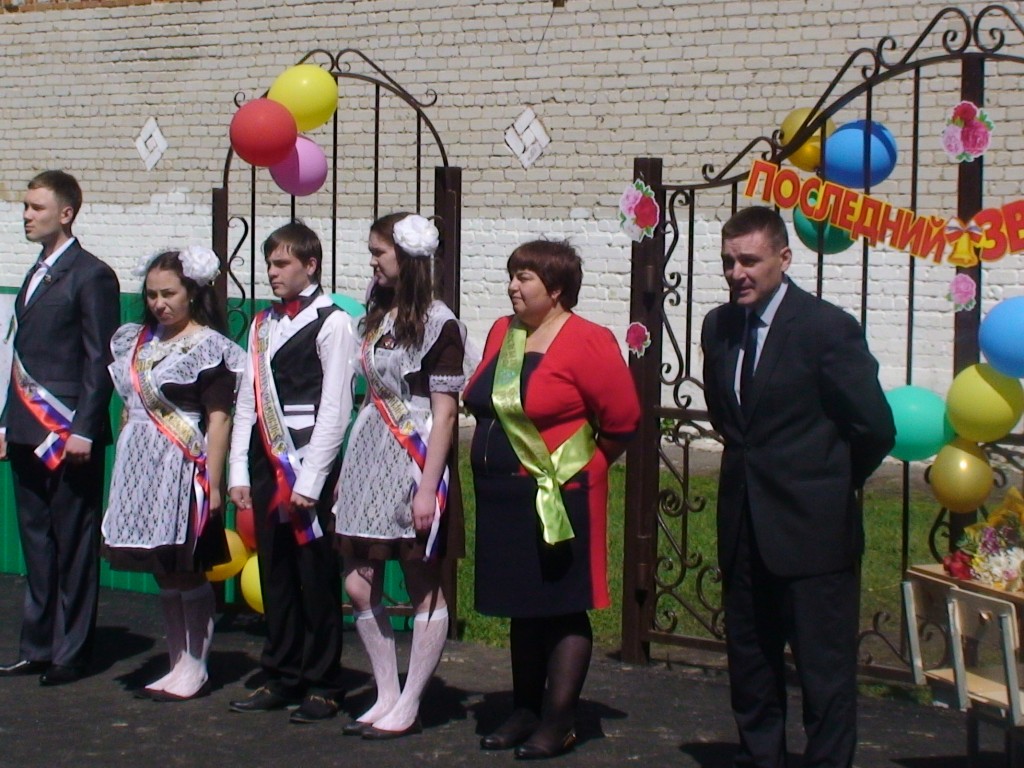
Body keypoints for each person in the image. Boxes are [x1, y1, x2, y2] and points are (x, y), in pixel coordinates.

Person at [700, 206, 896, 768]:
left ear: (784, 258)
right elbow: (730, 420)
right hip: (744, 527)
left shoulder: (825, 328)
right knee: (750, 664)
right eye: (729, 261)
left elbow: (874, 427)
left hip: (813, 533)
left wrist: (828, 482)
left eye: (749, 261)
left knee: (823, 674)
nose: (737, 272)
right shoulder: (718, 326)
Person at [463, 239, 640, 760]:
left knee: (561, 605)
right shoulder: (504, 331)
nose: (512, 286)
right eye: (512, 275)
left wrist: (580, 468)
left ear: (557, 288)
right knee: (525, 605)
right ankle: (525, 709)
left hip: (560, 497)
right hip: (503, 498)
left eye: (525, 278)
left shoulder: (588, 340)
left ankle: (559, 720)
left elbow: (623, 421)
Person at [334, 212, 467, 740]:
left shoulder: (440, 323)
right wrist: (349, 469)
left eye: (378, 252)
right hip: (370, 451)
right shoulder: (376, 316)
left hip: (415, 459)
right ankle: (386, 692)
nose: (372, 262)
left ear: (407, 258)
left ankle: (411, 701)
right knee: (357, 581)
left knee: (420, 582)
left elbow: (446, 413)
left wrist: (428, 488)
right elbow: (369, 395)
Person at [227, 221, 357, 723]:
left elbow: (335, 408)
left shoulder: (333, 322)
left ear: (311, 264)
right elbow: (247, 400)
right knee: (276, 570)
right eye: (269, 263)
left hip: (307, 465)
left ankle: (324, 682)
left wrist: (311, 480)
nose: (273, 272)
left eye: (282, 263)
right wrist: (239, 469)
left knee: (316, 574)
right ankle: (281, 674)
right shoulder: (262, 324)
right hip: (267, 461)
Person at [101, 246, 244, 701]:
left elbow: (219, 420)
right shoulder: (137, 342)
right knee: (162, 568)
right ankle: (176, 659)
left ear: (192, 293)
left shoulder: (211, 348)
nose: (159, 303)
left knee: (185, 568)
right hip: (141, 465)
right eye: (152, 295)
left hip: (183, 468)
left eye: (169, 294)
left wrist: (214, 483)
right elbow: (129, 406)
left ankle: (196, 664)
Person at [0, 171, 120, 685]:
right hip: (26, 428)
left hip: (67, 434)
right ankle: (38, 645)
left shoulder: (91, 275)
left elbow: (99, 359)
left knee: (72, 543)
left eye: (36, 207)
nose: (27, 215)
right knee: (37, 542)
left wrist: (86, 429)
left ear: (66, 213)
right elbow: (20, 355)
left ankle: (71, 652)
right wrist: (6, 420)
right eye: (25, 207)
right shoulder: (36, 272)